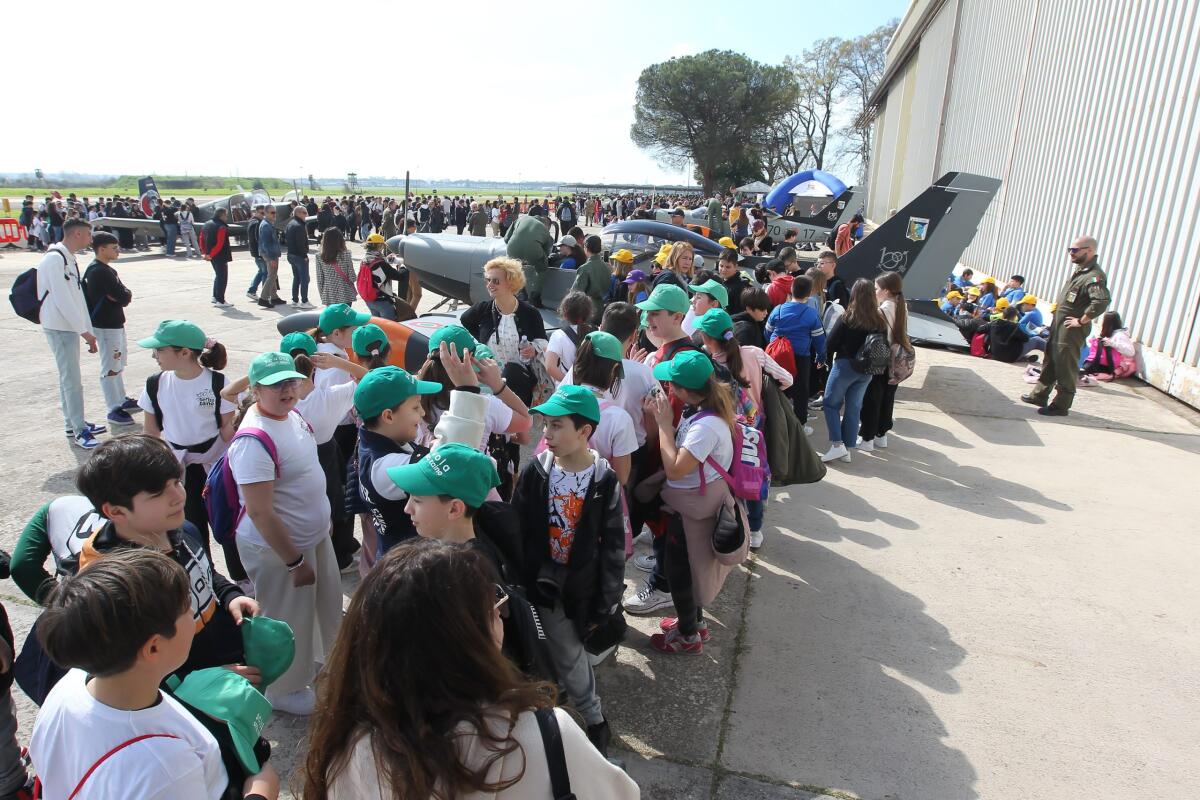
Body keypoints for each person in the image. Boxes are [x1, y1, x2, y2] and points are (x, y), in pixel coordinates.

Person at [303, 541, 637, 798]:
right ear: (467, 639)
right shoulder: (549, 736)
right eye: (494, 611)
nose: (501, 620)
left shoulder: (346, 748)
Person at [29, 550, 280, 800]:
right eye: (186, 607)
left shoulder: (69, 686)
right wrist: (260, 793)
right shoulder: (164, 766)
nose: (194, 610)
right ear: (153, 647)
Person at [228, 352, 343, 716]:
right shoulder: (253, 440)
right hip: (281, 549)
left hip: (311, 537)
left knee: (320, 606)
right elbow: (261, 512)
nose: (287, 390)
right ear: (256, 388)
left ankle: (309, 665)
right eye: (276, 384)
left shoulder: (291, 415)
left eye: (291, 381)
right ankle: (282, 689)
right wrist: (294, 561)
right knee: (286, 616)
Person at [515, 385, 625, 753]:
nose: (546, 434)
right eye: (545, 425)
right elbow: (517, 524)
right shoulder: (536, 472)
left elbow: (612, 544)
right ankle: (581, 712)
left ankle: (594, 719)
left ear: (584, 432)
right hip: (542, 581)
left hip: (582, 582)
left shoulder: (604, 481)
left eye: (557, 426)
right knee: (559, 648)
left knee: (570, 650)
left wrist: (607, 598)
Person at [643, 351, 744, 652]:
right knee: (689, 567)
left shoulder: (706, 426)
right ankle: (694, 623)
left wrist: (662, 424)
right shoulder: (702, 410)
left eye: (672, 383)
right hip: (693, 504)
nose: (668, 387)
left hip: (694, 510)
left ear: (686, 390)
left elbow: (675, 468)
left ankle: (688, 637)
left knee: (679, 572)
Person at [695, 309, 791, 549]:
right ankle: (756, 530)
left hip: (725, 430)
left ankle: (729, 527)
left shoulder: (708, 364)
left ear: (707, 338)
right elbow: (787, 379)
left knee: (727, 480)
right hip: (754, 428)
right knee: (753, 475)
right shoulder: (755, 353)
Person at [1021, 235, 1112, 416]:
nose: (1071, 253)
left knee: (1065, 365)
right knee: (1051, 361)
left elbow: (1101, 301)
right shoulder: (1081, 271)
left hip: (1071, 330)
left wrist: (1081, 320)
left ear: (1090, 251)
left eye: (1075, 250)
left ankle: (1061, 405)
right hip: (1060, 326)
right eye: (1069, 249)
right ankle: (1039, 395)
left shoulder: (1094, 276)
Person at [38, 218, 103, 448]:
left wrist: (86, 329)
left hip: (68, 327)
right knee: (71, 381)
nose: (90, 239)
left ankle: (73, 422)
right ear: (76, 234)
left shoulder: (66, 258)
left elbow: (76, 298)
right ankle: (79, 430)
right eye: (88, 235)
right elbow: (63, 300)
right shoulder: (55, 259)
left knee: (69, 378)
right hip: (60, 327)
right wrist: (84, 332)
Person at [461, 257, 550, 407]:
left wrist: (533, 349)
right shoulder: (482, 309)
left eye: (495, 281)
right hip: (489, 382)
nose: (489, 285)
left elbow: (543, 342)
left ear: (511, 282)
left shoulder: (530, 312)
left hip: (520, 382)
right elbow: (465, 320)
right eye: (488, 280)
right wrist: (482, 340)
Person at [820, 279, 889, 463]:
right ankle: (847, 449)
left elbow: (830, 343)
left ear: (855, 295)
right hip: (867, 370)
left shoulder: (848, 318)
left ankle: (837, 445)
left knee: (830, 404)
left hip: (845, 366)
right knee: (853, 408)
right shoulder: (879, 319)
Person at [82, 231, 140, 427]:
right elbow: (123, 296)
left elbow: (123, 295)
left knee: (118, 364)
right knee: (110, 367)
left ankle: (121, 398)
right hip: (105, 325)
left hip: (113, 323)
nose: (118, 251)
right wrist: (121, 294)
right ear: (102, 249)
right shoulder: (99, 271)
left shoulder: (104, 269)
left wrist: (122, 294)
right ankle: (113, 408)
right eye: (114, 248)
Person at [765, 274, 826, 429]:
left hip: (776, 356)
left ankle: (775, 423)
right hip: (800, 357)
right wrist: (821, 356)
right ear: (810, 293)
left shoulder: (777, 309)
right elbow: (819, 339)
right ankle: (800, 426)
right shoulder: (811, 314)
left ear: (791, 289)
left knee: (777, 388)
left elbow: (767, 332)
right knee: (801, 391)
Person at [858, 272, 910, 450]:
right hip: (896, 360)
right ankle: (881, 434)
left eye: (876, 288)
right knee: (888, 398)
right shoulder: (902, 306)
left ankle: (867, 438)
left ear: (886, 291)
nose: (874, 291)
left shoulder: (884, 309)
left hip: (881, 358)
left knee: (872, 399)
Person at [504, 211, 554, 307]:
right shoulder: (545, 230)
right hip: (533, 250)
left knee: (515, 267)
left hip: (512, 248)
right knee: (542, 269)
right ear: (547, 225)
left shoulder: (521, 218)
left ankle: (521, 292)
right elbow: (547, 252)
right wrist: (537, 259)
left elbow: (506, 238)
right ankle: (535, 297)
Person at [546, 293, 595, 383]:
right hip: (592, 388)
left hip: (567, 391)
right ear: (588, 313)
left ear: (565, 313)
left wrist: (570, 383)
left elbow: (550, 367)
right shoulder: (598, 333)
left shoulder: (558, 335)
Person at [1081, 311, 1136, 379]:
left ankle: (1094, 376)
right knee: (1088, 367)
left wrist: (1113, 344)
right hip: (1106, 361)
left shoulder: (1120, 335)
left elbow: (1131, 352)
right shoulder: (1109, 333)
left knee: (1090, 369)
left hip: (1117, 364)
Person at [571, 235, 612, 322]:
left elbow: (576, 293)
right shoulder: (607, 266)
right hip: (604, 309)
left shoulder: (585, 268)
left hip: (588, 310)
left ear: (585, 247)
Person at [314, 227, 357, 307]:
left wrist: (323, 296)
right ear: (340, 240)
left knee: (333, 319)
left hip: (329, 295)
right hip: (345, 295)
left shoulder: (319, 256)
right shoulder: (346, 254)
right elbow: (352, 277)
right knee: (345, 318)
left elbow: (320, 280)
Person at [201, 207, 233, 308]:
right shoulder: (221, 227)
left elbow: (201, 239)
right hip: (220, 255)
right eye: (226, 215)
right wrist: (211, 254)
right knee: (222, 277)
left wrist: (206, 253)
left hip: (211, 255)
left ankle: (215, 296)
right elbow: (220, 243)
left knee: (218, 276)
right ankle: (220, 300)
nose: (226, 217)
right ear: (222, 215)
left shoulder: (206, 224)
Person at [257, 206, 286, 308]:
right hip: (270, 254)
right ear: (266, 213)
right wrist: (272, 258)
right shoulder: (266, 226)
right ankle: (263, 298)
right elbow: (266, 244)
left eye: (275, 212)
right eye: (272, 212)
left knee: (273, 275)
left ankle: (274, 297)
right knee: (271, 276)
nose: (274, 214)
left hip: (270, 253)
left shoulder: (268, 224)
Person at [285, 206, 312, 308]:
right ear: (299, 213)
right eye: (305, 213)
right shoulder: (299, 226)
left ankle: (295, 300)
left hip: (291, 255)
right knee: (304, 279)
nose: (306, 215)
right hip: (299, 256)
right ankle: (304, 301)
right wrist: (304, 255)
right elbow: (300, 244)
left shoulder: (290, 224)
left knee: (296, 278)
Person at [245, 206, 269, 301]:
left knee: (262, 271)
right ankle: (264, 294)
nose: (263, 215)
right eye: (262, 213)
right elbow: (258, 239)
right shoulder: (256, 223)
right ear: (256, 213)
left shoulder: (253, 222)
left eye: (264, 213)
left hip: (257, 252)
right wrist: (263, 252)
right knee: (265, 272)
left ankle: (252, 290)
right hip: (259, 253)